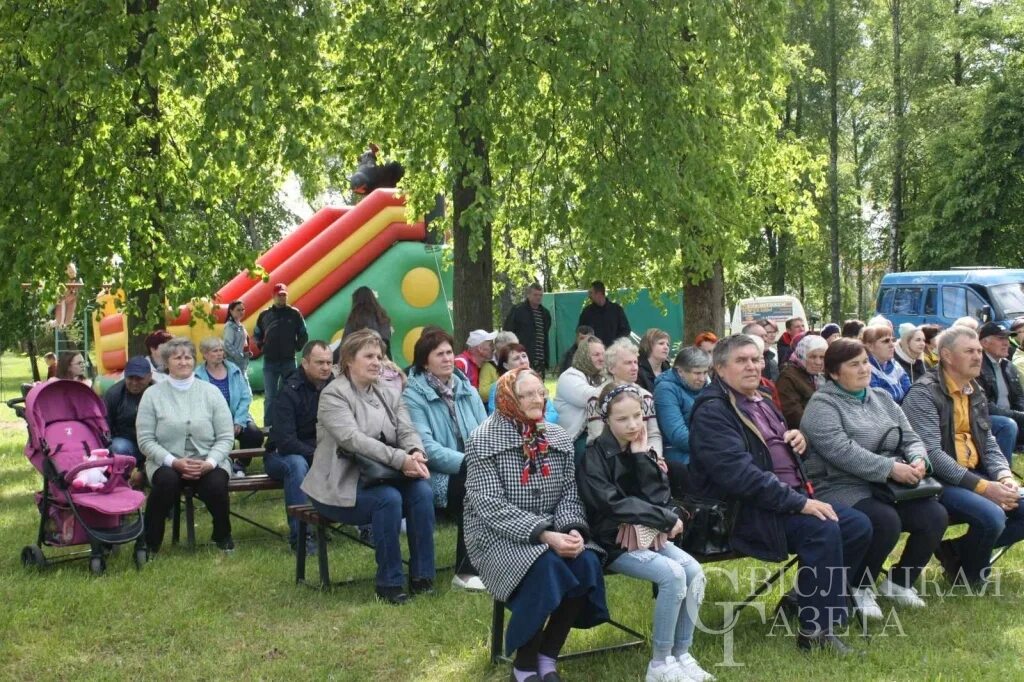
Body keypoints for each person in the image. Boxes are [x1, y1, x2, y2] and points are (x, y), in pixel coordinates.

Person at [688, 334, 871, 654]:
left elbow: (777, 452)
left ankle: (802, 598)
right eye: (741, 360)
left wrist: (799, 440)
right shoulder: (713, 412)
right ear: (719, 368)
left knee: (857, 525)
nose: (752, 366)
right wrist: (800, 503)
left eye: (756, 359)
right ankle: (816, 634)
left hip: (784, 499)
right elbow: (741, 477)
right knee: (822, 528)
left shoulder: (763, 400)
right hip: (743, 512)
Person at [464, 368, 609, 682]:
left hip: (554, 530)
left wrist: (571, 529)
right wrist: (544, 535)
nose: (538, 399)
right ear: (508, 399)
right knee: (544, 567)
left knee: (585, 562)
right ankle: (524, 666)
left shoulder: (557, 436)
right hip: (496, 537)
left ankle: (547, 657)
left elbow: (569, 492)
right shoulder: (483, 439)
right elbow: (490, 506)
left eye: (540, 392)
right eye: (527, 394)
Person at [802, 339, 948, 615]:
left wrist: (919, 459)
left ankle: (899, 582)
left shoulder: (881, 398)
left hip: (891, 485)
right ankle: (858, 586)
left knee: (935, 515)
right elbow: (842, 451)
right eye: (854, 364)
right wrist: (891, 469)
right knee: (885, 521)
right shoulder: (821, 406)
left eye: (865, 362)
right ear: (834, 373)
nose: (863, 369)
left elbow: (910, 436)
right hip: (841, 485)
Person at [577, 384, 710, 682]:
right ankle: (660, 664)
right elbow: (612, 505)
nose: (634, 425)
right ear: (606, 419)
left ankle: (682, 654)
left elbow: (659, 495)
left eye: (637, 416)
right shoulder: (594, 457)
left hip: (648, 534)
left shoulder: (639, 448)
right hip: (612, 542)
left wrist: (640, 457)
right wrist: (662, 518)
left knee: (694, 572)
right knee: (672, 575)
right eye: (623, 419)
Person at [301, 329, 435, 605]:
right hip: (337, 486)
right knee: (388, 499)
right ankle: (389, 583)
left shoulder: (388, 391)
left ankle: (423, 577)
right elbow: (353, 440)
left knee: (421, 491)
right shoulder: (333, 395)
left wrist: (415, 452)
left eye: (380, 356)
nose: (377, 362)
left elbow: (406, 428)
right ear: (349, 360)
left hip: (381, 476)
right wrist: (401, 460)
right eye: (369, 356)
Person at [902, 326, 1024, 587]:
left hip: (971, 474)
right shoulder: (923, 393)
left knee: (1017, 503)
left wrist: (1003, 476)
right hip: (937, 481)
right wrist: (983, 487)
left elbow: (988, 441)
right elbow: (931, 454)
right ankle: (970, 578)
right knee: (993, 515)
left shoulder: (973, 390)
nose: (978, 356)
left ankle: (955, 551)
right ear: (946, 355)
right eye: (969, 351)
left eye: (979, 351)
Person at [403, 327, 488, 591]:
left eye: (450, 352)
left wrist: (484, 460)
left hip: (473, 467)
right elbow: (426, 447)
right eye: (439, 354)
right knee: (470, 485)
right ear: (424, 360)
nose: (447, 358)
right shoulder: (413, 395)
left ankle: (506, 561)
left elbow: (486, 431)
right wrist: (471, 462)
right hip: (435, 474)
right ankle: (465, 572)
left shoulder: (467, 389)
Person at [136, 337, 236, 553]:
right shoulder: (151, 395)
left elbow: (226, 437)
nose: (183, 362)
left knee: (217, 484)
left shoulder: (211, 393)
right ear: (166, 362)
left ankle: (222, 535)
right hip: (166, 462)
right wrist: (173, 462)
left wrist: (210, 463)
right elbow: (145, 440)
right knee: (166, 482)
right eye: (177, 357)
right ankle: (149, 543)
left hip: (207, 460)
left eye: (188, 357)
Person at [265, 341, 334, 556]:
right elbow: (286, 442)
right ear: (304, 363)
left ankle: (364, 525)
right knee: (296, 464)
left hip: (318, 451)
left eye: (329, 363)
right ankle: (301, 536)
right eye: (319, 362)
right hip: (281, 455)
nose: (325, 367)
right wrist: (318, 455)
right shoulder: (289, 390)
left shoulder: (336, 387)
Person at [195, 337, 265, 477]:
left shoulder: (234, 370)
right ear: (205, 354)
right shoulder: (198, 375)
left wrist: (238, 420)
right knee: (222, 440)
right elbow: (198, 403)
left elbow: (245, 397)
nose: (220, 353)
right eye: (215, 351)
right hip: (212, 420)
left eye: (221, 350)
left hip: (237, 416)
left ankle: (240, 466)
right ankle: (223, 467)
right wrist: (221, 423)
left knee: (255, 435)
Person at [585, 339, 663, 457]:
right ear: (611, 368)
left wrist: (655, 457)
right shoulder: (597, 398)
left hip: (643, 456)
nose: (635, 367)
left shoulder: (646, 396)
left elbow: (654, 435)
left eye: (635, 362)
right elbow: (597, 436)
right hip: (609, 460)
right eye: (628, 363)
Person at [254, 282, 308, 429]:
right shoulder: (264, 315)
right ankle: (268, 427)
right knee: (270, 396)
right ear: (273, 296)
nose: (282, 298)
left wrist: (296, 347)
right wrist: (262, 347)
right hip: (270, 362)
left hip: (289, 361)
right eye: (279, 295)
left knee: (291, 393)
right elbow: (257, 334)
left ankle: (290, 424)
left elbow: (303, 334)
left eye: (284, 295)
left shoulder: (294, 314)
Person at [976, 321, 1024, 465]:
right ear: (984, 343)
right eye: (1000, 339)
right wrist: (1019, 416)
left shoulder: (1007, 365)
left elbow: (1019, 399)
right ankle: (1002, 475)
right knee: (1007, 425)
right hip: (984, 419)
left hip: (1011, 417)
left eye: (1007, 339)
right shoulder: (977, 365)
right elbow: (985, 406)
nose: (1006, 343)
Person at [654, 347, 710, 466]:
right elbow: (678, 435)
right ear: (680, 372)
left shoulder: (707, 386)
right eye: (697, 373)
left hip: (704, 448)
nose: (702, 378)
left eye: (705, 372)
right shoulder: (665, 389)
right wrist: (714, 446)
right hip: (679, 455)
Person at [555, 335, 606, 463]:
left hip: (598, 432)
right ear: (584, 356)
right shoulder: (569, 376)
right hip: (575, 438)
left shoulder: (600, 378)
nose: (602, 359)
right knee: (590, 454)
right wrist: (615, 377)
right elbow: (591, 397)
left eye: (603, 354)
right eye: (596, 355)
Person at [104, 356, 154, 485]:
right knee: (117, 447)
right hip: (127, 443)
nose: (134, 382)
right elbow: (105, 428)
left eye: (139, 378)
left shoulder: (159, 393)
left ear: (150, 376)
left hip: (154, 444)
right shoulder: (113, 394)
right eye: (130, 378)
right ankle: (122, 483)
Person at [488, 343, 559, 423]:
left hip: (541, 429)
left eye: (524, 356)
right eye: (516, 358)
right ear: (506, 365)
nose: (522, 361)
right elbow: (495, 418)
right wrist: (526, 425)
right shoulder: (498, 387)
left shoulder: (535, 382)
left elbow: (553, 414)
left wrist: (538, 424)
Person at [775, 333, 827, 429]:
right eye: (812, 357)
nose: (818, 362)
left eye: (822, 357)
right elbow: (794, 416)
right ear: (802, 354)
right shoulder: (788, 377)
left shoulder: (818, 376)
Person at [504, 283, 552, 377]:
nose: (538, 297)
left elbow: (545, 335)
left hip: (540, 358)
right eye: (535, 295)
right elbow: (508, 332)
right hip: (522, 357)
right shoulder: (518, 310)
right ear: (528, 295)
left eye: (540, 295)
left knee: (538, 385)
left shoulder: (545, 314)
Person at [862, 325, 910, 403]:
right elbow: (879, 400)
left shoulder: (895, 364)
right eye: (886, 341)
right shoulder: (867, 369)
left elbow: (909, 391)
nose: (892, 345)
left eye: (892, 340)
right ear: (870, 346)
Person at [343, 286, 393, 358]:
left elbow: (345, 343)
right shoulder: (382, 316)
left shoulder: (354, 318)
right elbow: (386, 339)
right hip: (382, 357)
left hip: (358, 357)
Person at [577, 280, 631, 347]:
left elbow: (626, 330)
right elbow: (580, 332)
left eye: (591, 293)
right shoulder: (586, 312)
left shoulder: (616, 310)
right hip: (593, 353)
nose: (589, 296)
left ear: (599, 294)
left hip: (613, 352)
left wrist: (615, 344)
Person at [454, 329, 497, 397]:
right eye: (490, 345)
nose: (494, 348)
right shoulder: (461, 363)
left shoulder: (481, 365)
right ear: (480, 349)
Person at [222, 300, 252, 377]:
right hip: (233, 363)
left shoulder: (240, 325)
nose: (241, 312)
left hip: (241, 363)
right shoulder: (230, 326)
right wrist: (239, 357)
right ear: (231, 311)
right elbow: (227, 344)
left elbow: (243, 343)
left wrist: (246, 353)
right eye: (238, 310)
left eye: (243, 309)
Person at [637, 329, 671, 393]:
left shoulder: (669, 369)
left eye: (668, 345)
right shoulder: (636, 370)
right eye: (661, 343)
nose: (666, 347)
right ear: (648, 346)